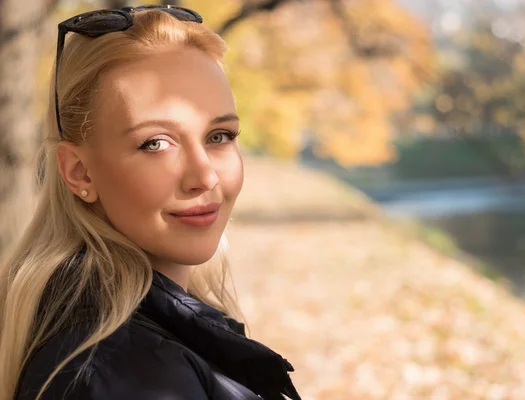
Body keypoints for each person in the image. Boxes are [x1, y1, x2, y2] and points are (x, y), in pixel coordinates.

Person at [0, 5, 301, 400]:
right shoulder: (123, 373)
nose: (205, 176)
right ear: (79, 173)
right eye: (155, 143)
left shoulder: (140, 341)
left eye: (219, 136)